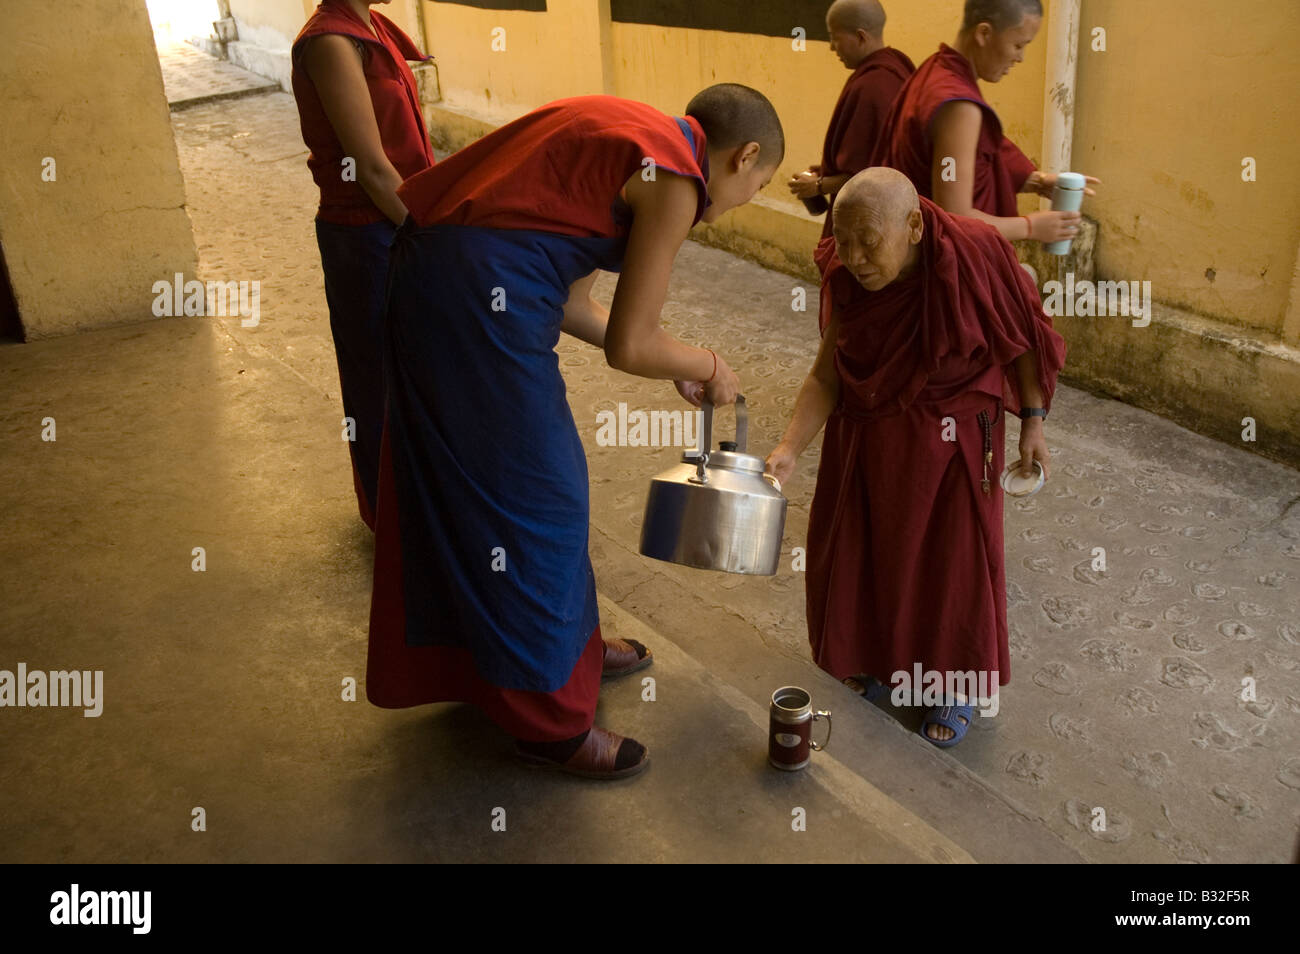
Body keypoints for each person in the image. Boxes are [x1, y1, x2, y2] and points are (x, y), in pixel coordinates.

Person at [367, 87, 784, 778]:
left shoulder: (642, 136)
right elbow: (631, 345)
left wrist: (674, 362)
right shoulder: (677, 181)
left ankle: (564, 658)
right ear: (743, 157)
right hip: (475, 306)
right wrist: (708, 363)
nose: (741, 202)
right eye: (757, 186)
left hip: (445, 284)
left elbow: (574, 305)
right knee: (540, 502)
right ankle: (549, 725)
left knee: (501, 496)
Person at [765, 168, 1065, 746]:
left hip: (956, 435)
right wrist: (787, 449)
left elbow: (1019, 337)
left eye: (868, 241)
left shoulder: (975, 255)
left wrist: (1033, 421)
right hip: (870, 428)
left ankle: (953, 686)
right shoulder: (850, 275)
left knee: (951, 563)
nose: (853, 257)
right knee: (867, 546)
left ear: (915, 226)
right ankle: (869, 657)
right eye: (844, 240)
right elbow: (828, 372)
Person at [291, 0, 435, 529]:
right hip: (367, 234)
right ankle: (393, 521)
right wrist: (431, 239)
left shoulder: (371, 26)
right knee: (379, 382)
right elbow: (372, 169)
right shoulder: (330, 41)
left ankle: (422, 512)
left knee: (419, 371)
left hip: (400, 220)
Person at [871, 0, 1098, 246]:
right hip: (939, 266)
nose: (1020, 57)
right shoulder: (958, 107)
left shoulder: (935, 69)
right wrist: (1031, 226)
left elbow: (958, 162)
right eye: (1018, 45)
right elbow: (954, 217)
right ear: (984, 33)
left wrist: (1038, 182)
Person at [787, 0, 913, 241]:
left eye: (835, 38)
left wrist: (818, 186)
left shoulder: (873, 86)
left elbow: (869, 176)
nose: (832, 47)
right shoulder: (897, 66)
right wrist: (826, 170)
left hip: (870, 219)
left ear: (860, 36)